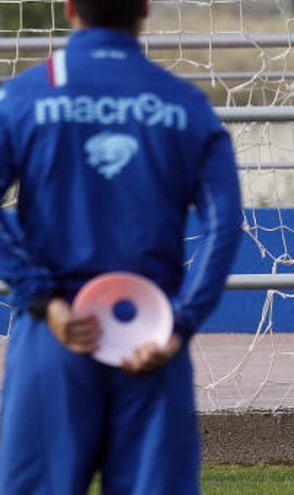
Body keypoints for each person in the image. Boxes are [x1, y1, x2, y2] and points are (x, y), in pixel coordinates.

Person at [0, 0, 242, 493]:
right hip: (149, 342)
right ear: (145, 9)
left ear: (69, 8)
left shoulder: (22, 97)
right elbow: (224, 225)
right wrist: (182, 320)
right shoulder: (185, 104)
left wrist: (45, 301)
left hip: (57, 337)